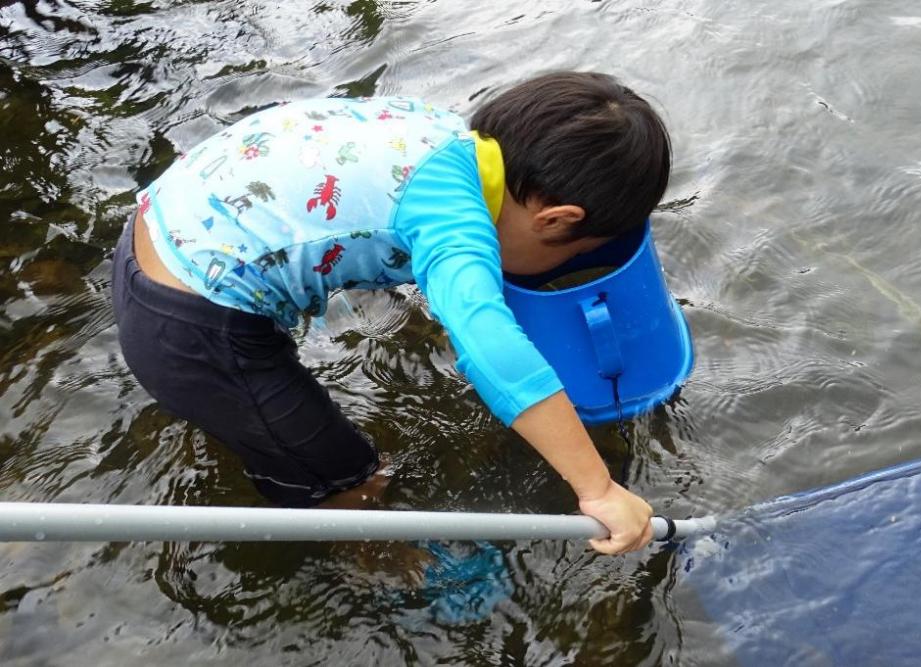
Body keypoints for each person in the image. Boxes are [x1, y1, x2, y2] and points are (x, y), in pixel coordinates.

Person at [111, 71, 672, 555]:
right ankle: (369, 558)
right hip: (191, 327)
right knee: (349, 476)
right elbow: (493, 351)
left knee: (271, 425)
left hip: (159, 229)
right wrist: (597, 489)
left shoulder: (444, 134)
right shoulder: (455, 227)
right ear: (554, 220)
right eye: (570, 255)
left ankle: (243, 431)